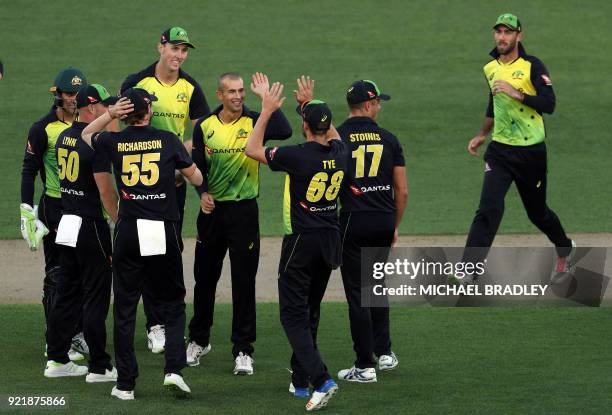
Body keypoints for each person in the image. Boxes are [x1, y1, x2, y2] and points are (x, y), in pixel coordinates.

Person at [81, 88, 204, 400]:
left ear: (127, 113)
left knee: (124, 308)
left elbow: (86, 134)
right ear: (148, 111)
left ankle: (125, 384)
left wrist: (110, 115)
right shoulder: (168, 140)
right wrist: (175, 174)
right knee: (173, 302)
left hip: (129, 230)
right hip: (161, 230)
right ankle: (174, 369)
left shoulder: (114, 141)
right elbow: (197, 179)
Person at [245, 76, 345, 411]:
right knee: (311, 309)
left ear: (303, 127)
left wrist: (267, 110)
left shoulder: (297, 156)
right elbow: (333, 134)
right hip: (331, 241)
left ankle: (321, 379)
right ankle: (301, 381)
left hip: (303, 242)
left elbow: (252, 149)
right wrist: (310, 104)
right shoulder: (341, 153)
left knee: (291, 315)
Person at [186, 72, 292, 373]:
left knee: (243, 282)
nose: (238, 96)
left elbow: (283, 131)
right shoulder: (205, 126)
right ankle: (198, 340)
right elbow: (197, 166)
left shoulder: (254, 121)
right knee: (204, 279)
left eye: (242, 91)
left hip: (244, 213)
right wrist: (201, 192)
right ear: (219, 95)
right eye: (231, 91)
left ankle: (243, 349)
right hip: (212, 214)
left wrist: (266, 102)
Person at [461, 13, 574, 283]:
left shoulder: (533, 66)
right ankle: (469, 269)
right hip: (500, 151)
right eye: (498, 32)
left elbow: (549, 104)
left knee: (538, 213)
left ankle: (564, 247)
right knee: (488, 208)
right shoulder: (490, 68)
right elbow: (494, 103)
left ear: (518, 36)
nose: (502, 37)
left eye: (508, 32)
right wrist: (482, 134)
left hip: (530, 153)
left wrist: (518, 93)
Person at [120, 26, 210, 353]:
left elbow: (199, 135)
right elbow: (122, 128)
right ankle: (155, 324)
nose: (179, 56)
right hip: (141, 183)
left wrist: (177, 157)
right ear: (160, 46)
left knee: (168, 251)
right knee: (146, 252)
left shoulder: (191, 88)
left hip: (172, 183)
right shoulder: (136, 83)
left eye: (184, 50)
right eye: (174, 48)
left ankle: (163, 322)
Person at [44, 84, 118, 381]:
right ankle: (99, 366)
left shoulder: (64, 136)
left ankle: (58, 360)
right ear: (91, 108)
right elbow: (105, 192)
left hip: (67, 223)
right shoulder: (94, 142)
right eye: (103, 106)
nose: (106, 110)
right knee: (96, 297)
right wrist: (120, 223)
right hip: (91, 227)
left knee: (67, 294)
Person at [335, 80, 408, 383]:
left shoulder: (336, 136)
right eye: (377, 102)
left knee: (358, 294)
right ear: (367, 105)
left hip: (353, 219)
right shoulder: (390, 140)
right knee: (376, 286)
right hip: (382, 220)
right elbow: (401, 192)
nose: (379, 106)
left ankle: (364, 366)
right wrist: (394, 226)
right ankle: (386, 353)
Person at [20, 67, 88, 361]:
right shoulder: (42, 128)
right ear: (58, 94)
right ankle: (55, 338)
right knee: (58, 275)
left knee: (85, 272)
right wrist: (26, 211)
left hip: (83, 207)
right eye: (70, 94)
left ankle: (76, 334)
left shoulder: (90, 124)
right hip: (56, 208)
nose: (74, 99)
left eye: (78, 93)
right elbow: (28, 172)